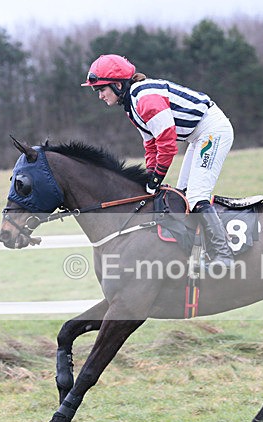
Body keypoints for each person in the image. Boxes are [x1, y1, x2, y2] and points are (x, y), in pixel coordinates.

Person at [81, 54, 236, 269]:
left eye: (101, 89)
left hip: (212, 131)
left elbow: (167, 145)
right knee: (182, 195)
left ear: (118, 85)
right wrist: (150, 176)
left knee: (196, 196)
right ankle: (199, 252)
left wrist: (156, 179)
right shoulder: (131, 105)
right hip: (197, 136)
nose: (100, 95)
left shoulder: (145, 100)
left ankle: (224, 255)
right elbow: (151, 145)